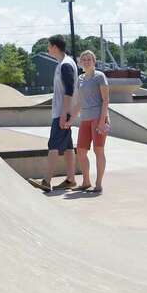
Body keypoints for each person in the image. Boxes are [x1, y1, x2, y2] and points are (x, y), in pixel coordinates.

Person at [28, 36, 78, 192]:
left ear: (55, 47)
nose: (48, 49)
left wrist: (64, 113)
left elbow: (69, 90)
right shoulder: (63, 63)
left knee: (53, 146)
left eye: (49, 47)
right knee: (68, 147)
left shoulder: (65, 65)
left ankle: (46, 181)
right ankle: (70, 179)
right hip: (64, 111)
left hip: (62, 112)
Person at [74, 50, 110, 192]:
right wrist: (71, 119)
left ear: (94, 62)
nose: (87, 61)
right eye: (84, 59)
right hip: (85, 119)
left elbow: (106, 100)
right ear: (81, 62)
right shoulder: (80, 78)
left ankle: (99, 183)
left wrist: (102, 121)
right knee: (81, 151)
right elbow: (79, 102)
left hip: (98, 117)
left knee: (98, 150)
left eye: (90, 59)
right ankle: (86, 181)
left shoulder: (100, 76)